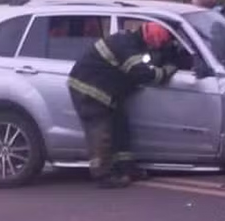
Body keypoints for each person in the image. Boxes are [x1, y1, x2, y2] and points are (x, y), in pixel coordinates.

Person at [67, 22, 178, 188]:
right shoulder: (127, 46)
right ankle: (102, 175)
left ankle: (126, 167)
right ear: (152, 40)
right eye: (160, 45)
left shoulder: (132, 42)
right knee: (100, 131)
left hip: (108, 92)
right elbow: (142, 74)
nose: (160, 49)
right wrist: (167, 71)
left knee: (120, 127)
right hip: (88, 90)